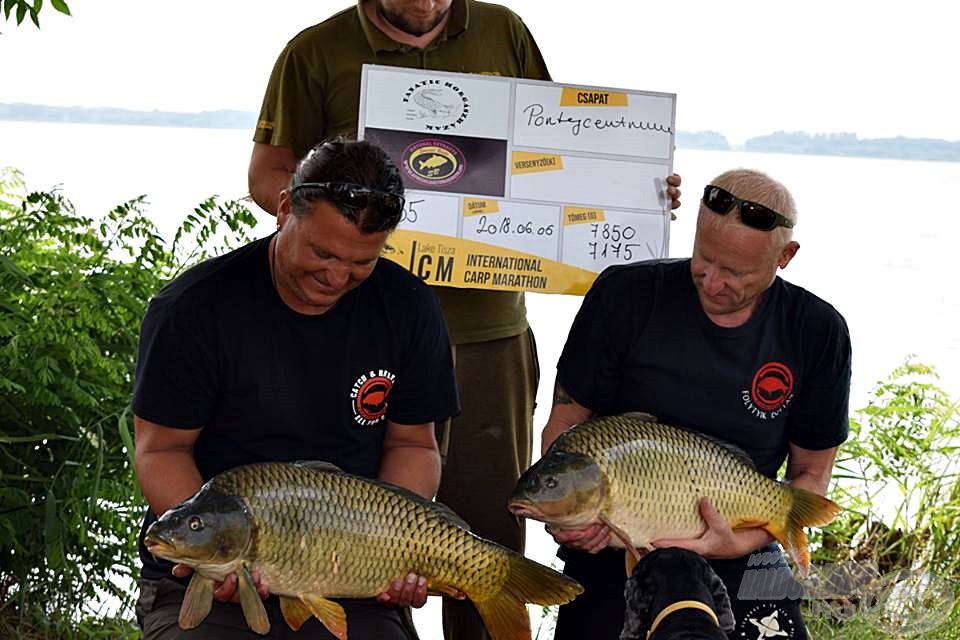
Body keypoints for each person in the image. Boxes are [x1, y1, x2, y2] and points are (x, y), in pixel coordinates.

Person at [247, 3, 680, 637]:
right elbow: (268, 178)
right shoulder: (314, 52)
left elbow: (561, 149)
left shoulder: (504, 31)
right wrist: (355, 215)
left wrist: (632, 191)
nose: (428, 4)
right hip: (361, 331)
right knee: (352, 531)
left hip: (487, 335)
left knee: (487, 534)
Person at [133, 139, 460, 639]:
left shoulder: (408, 307)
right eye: (322, 251)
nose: (335, 276)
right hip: (210, 572)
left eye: (361, 263)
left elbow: (413, 444)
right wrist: (221, 556)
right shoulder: (194, 308)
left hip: (352, 575)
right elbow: (161, 449)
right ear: (285, 208)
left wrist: (399, 548)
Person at [540, 169, 851, 640]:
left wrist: (737, 542)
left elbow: (810, 473)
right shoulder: (626, 294)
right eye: (704, 260)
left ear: (785, 256)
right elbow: (564, 426)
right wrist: (571, 516)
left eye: (736, 273)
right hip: (617, 539)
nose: (713, 282)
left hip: (744, 547)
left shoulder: (817, 330)